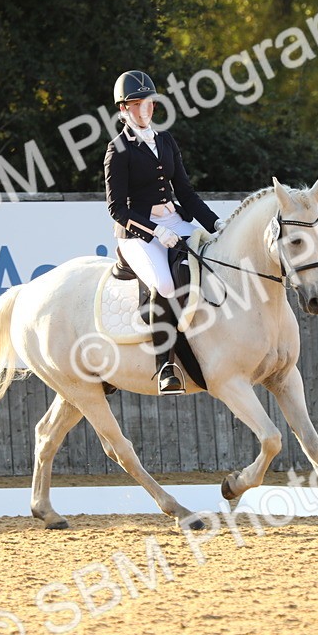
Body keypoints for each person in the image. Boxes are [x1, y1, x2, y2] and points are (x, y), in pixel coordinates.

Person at [103, 70, 225, 395]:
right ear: (123, 110)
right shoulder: (118, 150)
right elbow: (117, 209)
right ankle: (164, 367)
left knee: (214, 260)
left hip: (174, 220)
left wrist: (216, 225)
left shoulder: (166, 141)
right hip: (135, 233)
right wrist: (155, 232)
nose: (144, 111)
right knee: (166, 282)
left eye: (149, 104)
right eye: (136, 105)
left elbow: (185, 191)